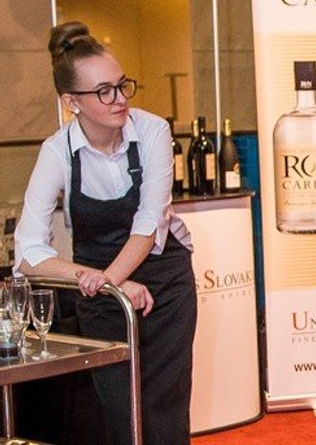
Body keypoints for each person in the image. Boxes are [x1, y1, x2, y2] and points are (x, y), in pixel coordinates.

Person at [13, 22, 196, 445]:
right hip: (100, 296)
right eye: (104, 91)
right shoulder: (57, 151)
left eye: (122, 85)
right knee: (117, 411)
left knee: (163, 410)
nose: (120, 99)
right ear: (70, 102)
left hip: (165, 286)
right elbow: (28, 251)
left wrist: (109, 280)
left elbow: (148, 224)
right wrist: (99, 282)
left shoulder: (152, 131)